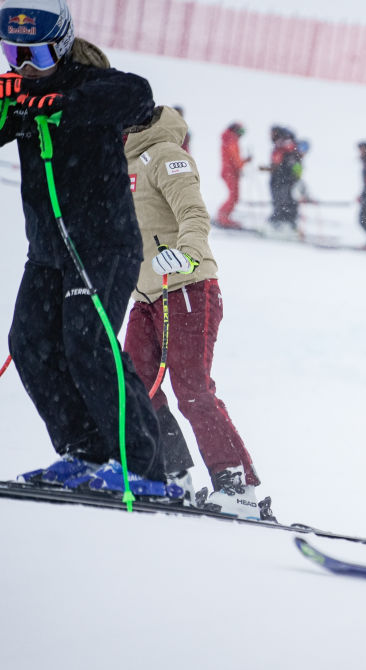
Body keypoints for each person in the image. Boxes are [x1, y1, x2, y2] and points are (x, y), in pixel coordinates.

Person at [1, 0, 180, 496]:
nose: (23, 65)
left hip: (103, 246)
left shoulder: (89, 86)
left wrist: (58, 104)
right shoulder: (18, 98)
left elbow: (138, 96)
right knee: (30, 342)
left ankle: (143, 468)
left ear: (59, 45)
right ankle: (85, 451)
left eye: (34, 53)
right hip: (48, 252)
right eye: (12, 52)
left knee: (88, 340)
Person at [123, 104, 272, 520]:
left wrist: (187, 254)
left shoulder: (168, 155)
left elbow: (192, 213)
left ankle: (236, 484)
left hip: (185, 286)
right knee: (136, 384)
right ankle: (173, 474)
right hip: (145, 295)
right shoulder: (122, 160)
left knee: (192, 389)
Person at [261, 124, 302, 232]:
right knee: (286, 201)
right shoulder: (287, 145)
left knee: (282, 201)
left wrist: (273, 169)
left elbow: (279, 163)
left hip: (282, 179)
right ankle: (287, 223)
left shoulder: (283, 145)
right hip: (285, 179)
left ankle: (281, 224)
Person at [215, 121, 250, 229]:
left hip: (230, 172)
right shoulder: (231, 140)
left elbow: (234, 159)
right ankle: (223, 217)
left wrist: (243, 163)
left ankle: (223, 216)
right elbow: (234, 158)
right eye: (241, 131)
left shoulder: (229, 139)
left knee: (234, 196)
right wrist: (242, 163)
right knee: (233, 196)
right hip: (230, 173)